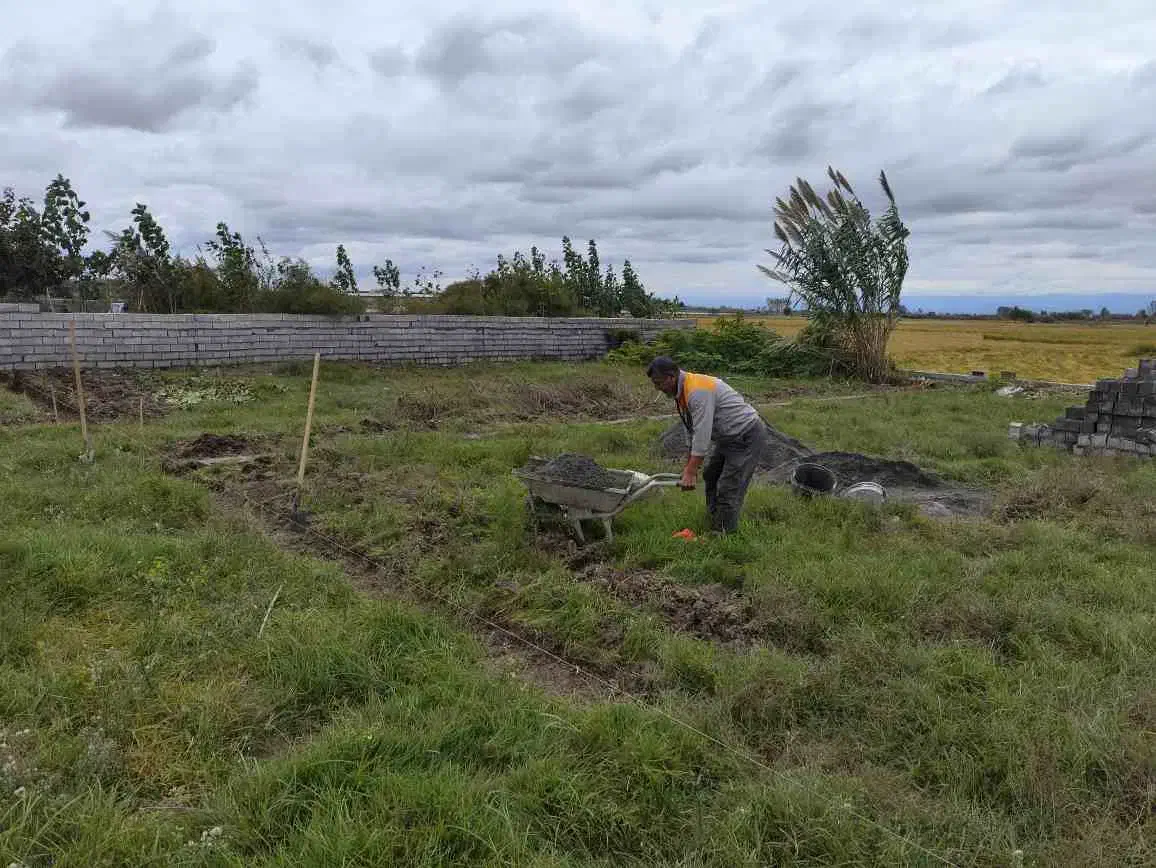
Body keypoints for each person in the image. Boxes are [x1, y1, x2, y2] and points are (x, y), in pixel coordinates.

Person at [646, 356, 768, 534]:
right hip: (727, 437)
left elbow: (702, 436)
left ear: (671, 377)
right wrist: (689, 467)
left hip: (746, 435)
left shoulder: (697, 391)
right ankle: (715, 518)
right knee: (711, 475)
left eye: (658, 383)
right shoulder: (682, 390)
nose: (657, 388)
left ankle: (723, 533)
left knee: (729, 486)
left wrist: (691, 471)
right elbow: (691, 429)